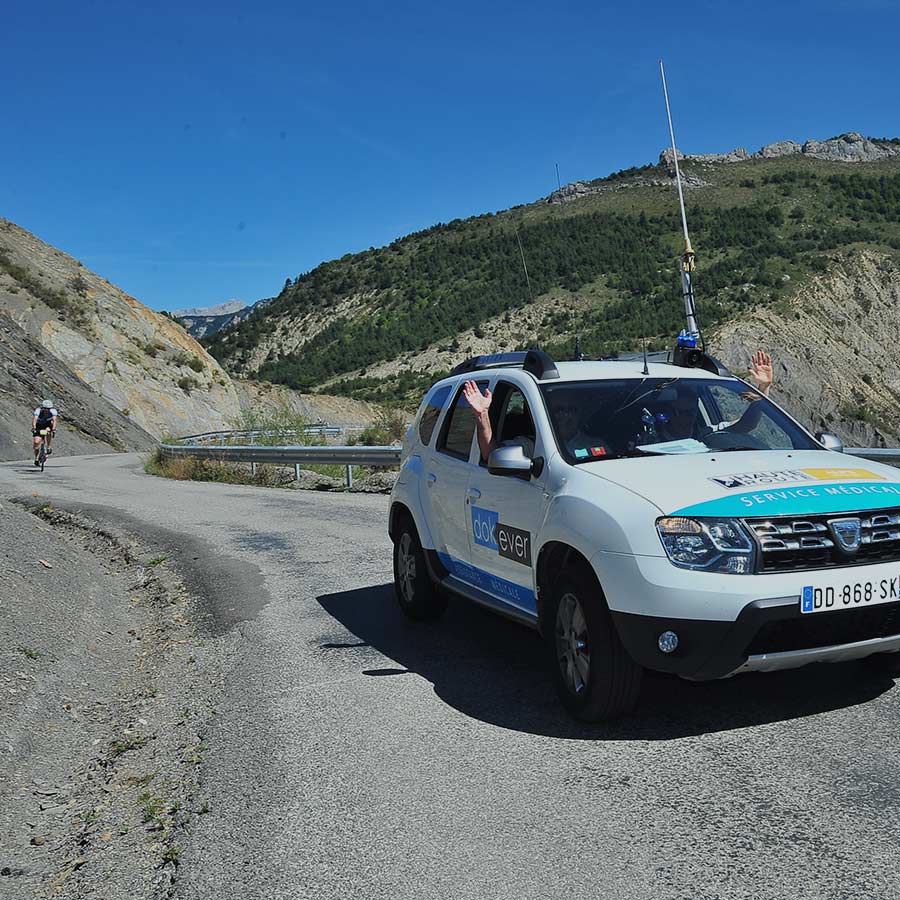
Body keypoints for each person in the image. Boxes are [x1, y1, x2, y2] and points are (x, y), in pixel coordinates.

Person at [32, 400, 58, 466]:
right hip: (39, 426)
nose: (47, 410)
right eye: (45, 409)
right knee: (36, 442)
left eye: (48, 409)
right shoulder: (38, 411)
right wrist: (34, 428)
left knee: (48, 431)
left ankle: (48, 447)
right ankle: (36, 458)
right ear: (42, 408)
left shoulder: (53, 411)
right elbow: (34, 420)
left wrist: (54, 429)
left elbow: (54, 420)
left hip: (47, 425)